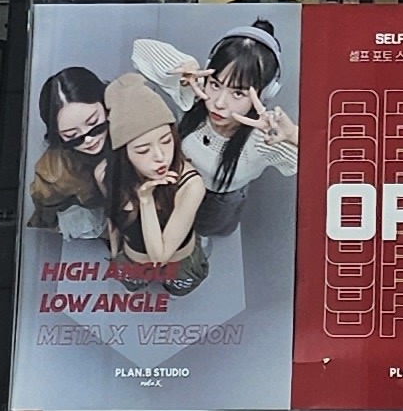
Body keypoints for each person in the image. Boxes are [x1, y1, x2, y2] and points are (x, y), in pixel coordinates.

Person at [135, 24, 299, 192]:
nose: (219, 103)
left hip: (218, 203)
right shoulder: (195, 93)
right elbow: (140, 48)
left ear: (264, 94)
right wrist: (184, 65)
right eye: (215, 84)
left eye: (238, 93)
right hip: (172, 186)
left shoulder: (263, 138)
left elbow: (316, 167)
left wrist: (293, 136)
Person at [95, 70, 214, 286]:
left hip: (180, 262)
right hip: (133, 260)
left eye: (166, 141)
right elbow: (113, 217)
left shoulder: (191, 184)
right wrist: (115, 253)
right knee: (132, 286)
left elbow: (160, 256)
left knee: (179, 289)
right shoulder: (105, 174)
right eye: (143, 150)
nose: (160, 157)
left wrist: (146, 200)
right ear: (123, 153)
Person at [29, 63, 112, 229]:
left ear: (106, 105)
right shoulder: (52, 175)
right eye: (71, 135)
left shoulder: (132, 123)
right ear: (57, 136)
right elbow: (48, 220)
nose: (88, 139)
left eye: (93, 122)